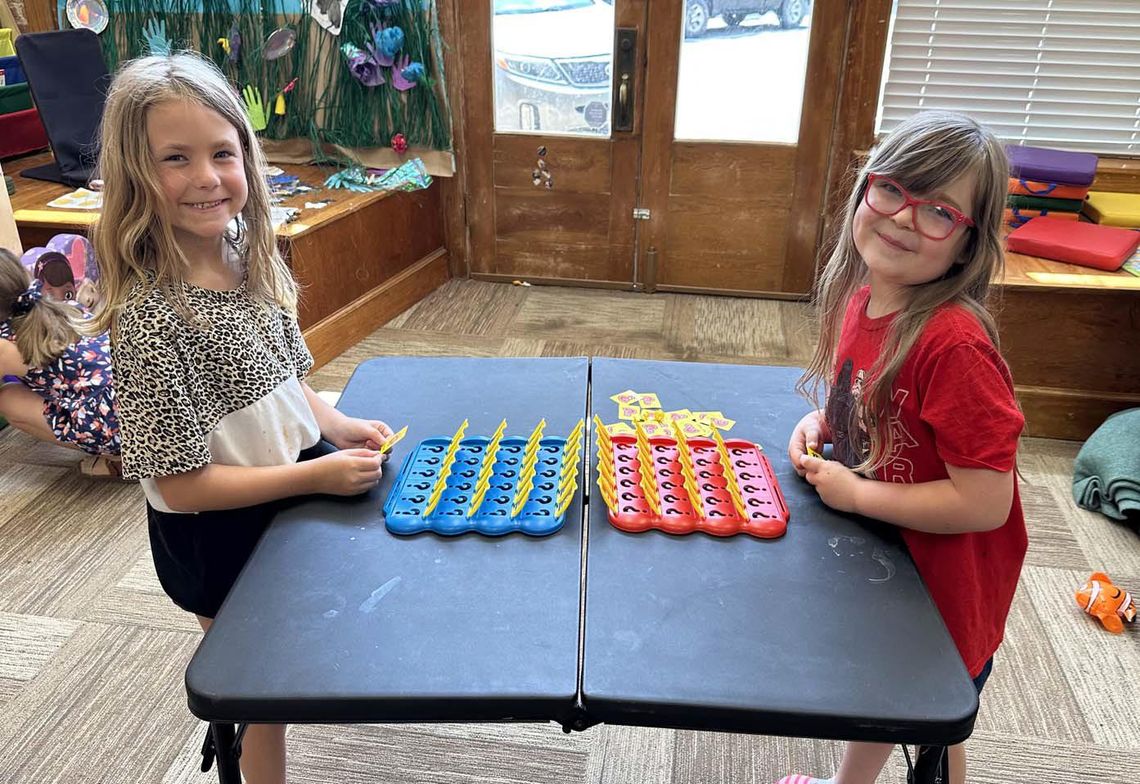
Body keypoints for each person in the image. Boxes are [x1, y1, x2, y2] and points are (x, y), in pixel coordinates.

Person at [90, 52, 394, 784]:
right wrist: (315, 471)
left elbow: (287, 381)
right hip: (217, 534)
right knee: (259, 691)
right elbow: (183, 486)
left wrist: (335, 424)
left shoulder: (248, 253)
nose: (206, 177)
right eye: (175, 158)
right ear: (135, 175)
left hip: (290, 489)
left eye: (222, 152)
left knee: (286, 659)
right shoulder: (151, 319)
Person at [782, 111, 1027, 784]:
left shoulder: (955, 345)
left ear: (967, 244)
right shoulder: (864, 297)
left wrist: (858, 492)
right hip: (892, 552)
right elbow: (862, 397)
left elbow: (985, 501)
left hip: (945, 579)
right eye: (893, 190)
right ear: (865, 191)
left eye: (939, 211)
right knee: (886, 696)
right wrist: (824, 427)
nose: (904, 218)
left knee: (929, 715)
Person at [0, 247, 122, 476]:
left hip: (115, 426)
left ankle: (118, 459)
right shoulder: (60, 307)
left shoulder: (5, 348)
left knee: (8, 399)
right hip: (141, 408)